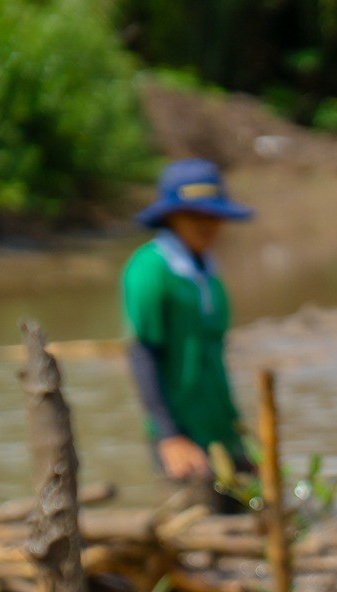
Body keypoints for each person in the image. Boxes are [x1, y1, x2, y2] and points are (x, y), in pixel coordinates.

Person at [123, 159, 256, 505]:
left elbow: (213, 358)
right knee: (199, 533)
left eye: (212, 216)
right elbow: (143, 353)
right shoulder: (150, 268)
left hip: (221, 430)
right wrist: (170, 436)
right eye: (194, 216)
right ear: (170, 216)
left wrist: (237, 428)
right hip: (183, 433)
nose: (206, 225)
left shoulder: (208, 272)